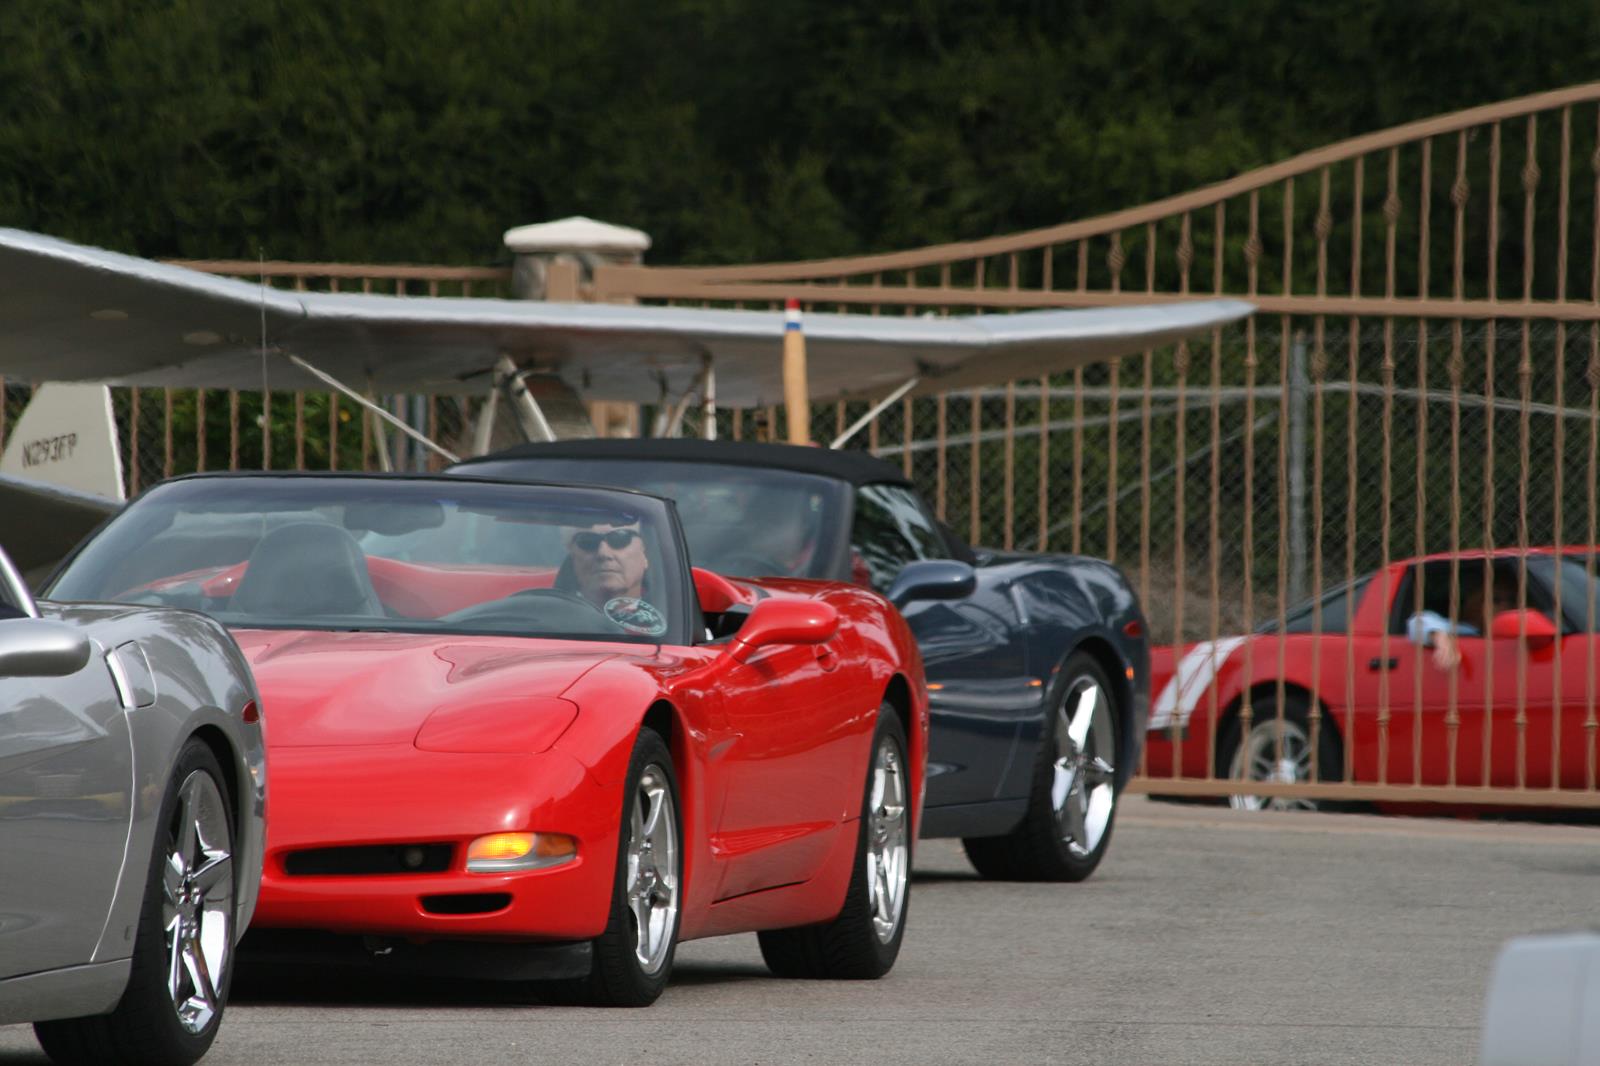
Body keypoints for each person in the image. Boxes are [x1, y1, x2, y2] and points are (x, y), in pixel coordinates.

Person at [1406, 568, 1520, 670]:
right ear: (1478, 604)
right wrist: (1441, 639)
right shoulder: (1467, 630)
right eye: (1496, 600)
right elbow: (1419, 621)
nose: (1505, 606)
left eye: (1511, 600)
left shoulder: (1524, 630)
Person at [565, 520, 650, 607]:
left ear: (645, 554)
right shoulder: (553, 616)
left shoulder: (663, 613)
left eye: (619, 538)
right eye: (588, 541)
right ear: (573, 557)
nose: (603, 553)